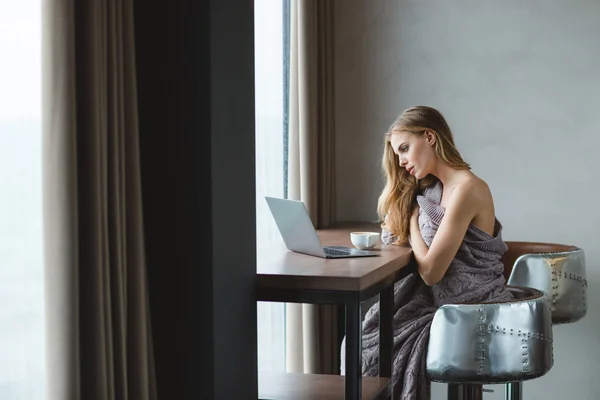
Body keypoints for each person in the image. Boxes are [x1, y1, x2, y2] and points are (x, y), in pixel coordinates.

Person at [341, 106, 513, 400]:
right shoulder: (436, 189)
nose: (402, 161)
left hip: (475, 308)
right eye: (398, 155)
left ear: (430, 137)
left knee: (373, 341)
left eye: (405, 148)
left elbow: (432, 273)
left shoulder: (468, 188)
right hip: (446, 304)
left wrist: (411, 224)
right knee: (366, 335)